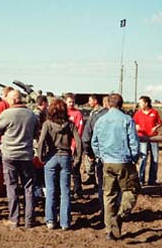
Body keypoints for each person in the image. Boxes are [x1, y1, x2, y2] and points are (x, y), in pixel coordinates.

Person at [91, 93, 140, 241]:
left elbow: (94, 142)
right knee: (132, 190)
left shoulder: (101, 120)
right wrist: (134, 158)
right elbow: (134, 143)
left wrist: (101, 156)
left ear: (109, 104)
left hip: (107, 163)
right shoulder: (127, 120)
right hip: (124, 162)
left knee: (109, 195)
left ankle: (108, 231)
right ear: (121, 104)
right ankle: (120, 216)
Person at [0, 89, 39, 229]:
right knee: (28, 187)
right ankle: (29, 219)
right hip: (26, 155)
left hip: (10, 155)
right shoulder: (31, 115)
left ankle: (14, 219)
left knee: (12, 187)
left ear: (12, 100)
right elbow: (36, 132)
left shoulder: (6, 114)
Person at [37, 98, 82, 230]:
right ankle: (65, 222)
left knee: (50, 190)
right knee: (65, 191)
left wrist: (41, 157)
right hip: (66, 158)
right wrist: (77, 159)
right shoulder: (70, 125)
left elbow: (41, 142)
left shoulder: (47, 124)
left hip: (51, 157)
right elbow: (78, 142)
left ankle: (50, 220)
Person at [82, 95, 109, 221]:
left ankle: (105, 212)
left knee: (102, 186)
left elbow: (86, 138)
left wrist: (91, 154)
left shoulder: (95, 116)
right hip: (118, 158)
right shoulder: (126, 118)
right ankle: (115, 212)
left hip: (101, 157)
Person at [133, 96, 162, 186]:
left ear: (146, 103)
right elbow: (133, 123)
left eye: (141, 102)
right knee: (143, 159)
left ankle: (152, 180)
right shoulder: (138, 114)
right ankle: (141, 180)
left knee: (155, 159)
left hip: (153, 138)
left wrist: (155, 127)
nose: (139, 104)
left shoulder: (154, 112)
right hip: (142, 138)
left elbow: (159, 122)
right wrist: (136, 127)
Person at [64, 93, 84, 198]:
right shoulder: (63, 113)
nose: (71, 104)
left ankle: (77, 190)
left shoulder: (77, 114)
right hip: (63, 145)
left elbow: (79, 131)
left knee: (75, 168)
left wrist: (74, 145)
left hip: (74, 145)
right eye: (69, 102)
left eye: (72, 102)